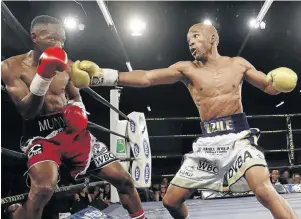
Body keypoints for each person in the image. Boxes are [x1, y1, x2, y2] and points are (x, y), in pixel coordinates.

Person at [73, 23, 298, 219]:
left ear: (213, 38)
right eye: (188, 39)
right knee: (170, 201)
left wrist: (278, 83)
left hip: (239, 138)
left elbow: (268, 86)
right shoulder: (187, 69)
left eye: (196, 36)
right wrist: (102, 75)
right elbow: (147, 77)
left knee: (264, 190)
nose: (190, 42)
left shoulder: (237, 64)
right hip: (208, 144)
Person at [1, 15, 145, 219]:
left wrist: (78, 110)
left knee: (123, 179)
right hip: (40, 135)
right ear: (35, 36)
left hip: (73, 130)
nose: (58, 44)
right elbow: (27, 112)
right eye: (51, 38)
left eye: (62, 39)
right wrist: (44, 76)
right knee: (43, 188)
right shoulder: (11, 67)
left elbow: (75, 94)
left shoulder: (66, 63)